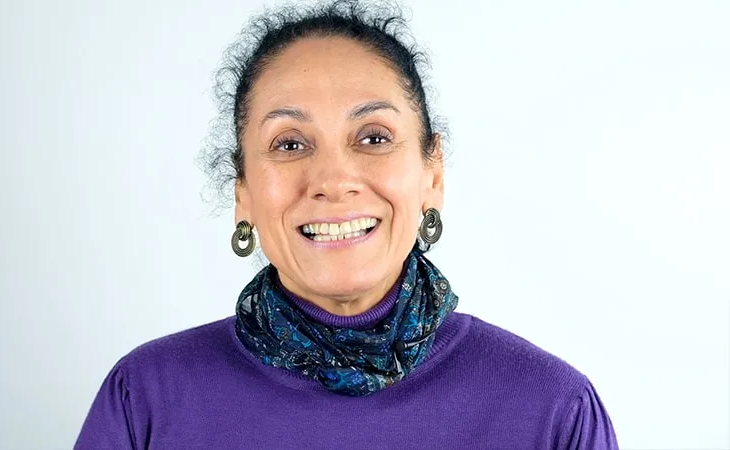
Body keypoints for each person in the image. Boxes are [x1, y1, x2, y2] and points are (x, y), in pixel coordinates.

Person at [75, 1, 619, 448]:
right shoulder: (145, 400)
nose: (334, 180)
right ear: (242, 194)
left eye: (374, 138)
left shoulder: (552, 411)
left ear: (433, 174)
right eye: (289, 144)